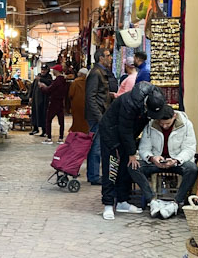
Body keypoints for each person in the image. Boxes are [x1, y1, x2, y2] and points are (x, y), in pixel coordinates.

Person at [98, 81, 170, 220]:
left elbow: (131, 131)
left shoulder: (154, 97)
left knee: (127, 167)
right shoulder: (129, 103)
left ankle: (122, 201)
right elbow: (124, 130)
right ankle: (108, 204)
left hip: (127, 136)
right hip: (111, 134)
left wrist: (131, 151)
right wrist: (132, 153)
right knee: (111, 168)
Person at [128, 106, 198, 219]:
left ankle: (175, 203)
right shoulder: (151, 124)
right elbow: (144, 148)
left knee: (192, 169)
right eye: (161, 123)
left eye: (167, 123)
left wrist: (176, 160)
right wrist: (152, 158)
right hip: (156, 162)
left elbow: (189, 148)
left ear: (174, 116)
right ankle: (152, 201)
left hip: (176, 161)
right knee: (133, 166)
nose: (164, 126)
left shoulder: (186, 125)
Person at [85, 48, 112, 184]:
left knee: (97, 146)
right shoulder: (96, 73)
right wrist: (99, 116)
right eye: (108, 55)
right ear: (101, 58)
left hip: (99, 114)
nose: (111, 58)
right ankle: (94, 176)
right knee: (95, 146)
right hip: (96, 116)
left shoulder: (99, 72)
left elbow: (99, 94)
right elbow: (90, 96)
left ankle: (94, 174)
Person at [41, 65, 67, 145]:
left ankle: (49, 138)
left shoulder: (57, 81)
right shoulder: (64, 80)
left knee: (48, 120)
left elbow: (49, 90)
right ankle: (61, 138)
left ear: (57, 71)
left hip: (54, 102)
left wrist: (43, 87)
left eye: (54, 70)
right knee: (61, 121)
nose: (53, 71)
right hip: (60, 102)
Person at [29, 65, 53, 137]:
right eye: (42, 69)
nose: (43, 71)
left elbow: (49, 83)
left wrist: (41, 79)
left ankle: (44, 130)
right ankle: (35, 128)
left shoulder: (49, 77)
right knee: (35, 113)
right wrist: (30, 96)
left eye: (44, 70)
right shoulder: (38, 76)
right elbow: (32, 87)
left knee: (43, 114)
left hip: (44, 99)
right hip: (35, 98)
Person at [69, 68, 89, 133]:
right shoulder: (88, 82)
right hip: (86, 103)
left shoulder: (75, 82)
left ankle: (76, 132)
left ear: (80, 74)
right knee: (84, 119)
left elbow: (71, 94)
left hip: (76, 104)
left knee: (76, 119)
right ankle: (85, 132)